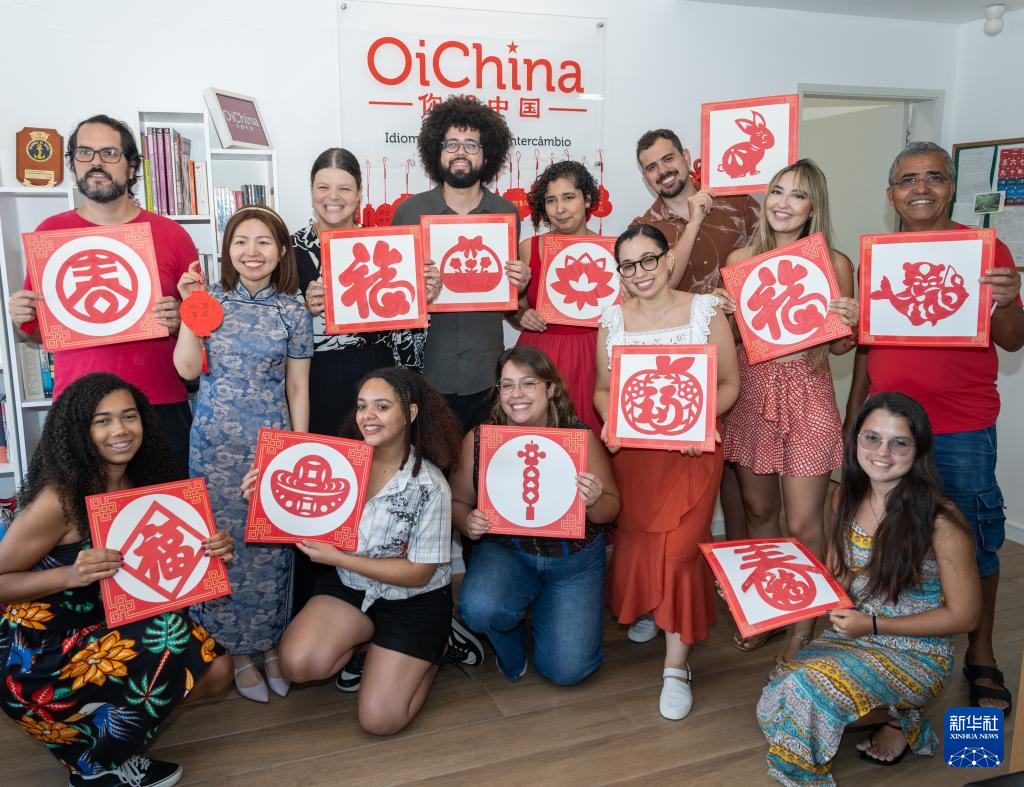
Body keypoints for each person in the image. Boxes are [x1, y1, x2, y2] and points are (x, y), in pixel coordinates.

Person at [845, 141, 1023, 712]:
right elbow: (866, 351)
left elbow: (1013, 340)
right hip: (886, 433)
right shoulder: (878, 258)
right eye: (908, 179)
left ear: (949, 186)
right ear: (891, 194)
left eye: (934, 176)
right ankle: (899, 652)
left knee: (973, 543)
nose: (921, 187)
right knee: (888, 541)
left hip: (960, 429)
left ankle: (980, 654)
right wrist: (852, 423)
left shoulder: (985, 249)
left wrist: (1009, 300)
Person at [0, 372, 234, 787]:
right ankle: (96, 763)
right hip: (39, 656)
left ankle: (101, 738)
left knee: (217, 670)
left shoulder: (144, 483)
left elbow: (160, 574)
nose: (120, 430)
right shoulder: (59, 500)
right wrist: (70, 574)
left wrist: (209, 552)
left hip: (100, 628)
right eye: (102, 420)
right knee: (171, 633)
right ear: (78, 431)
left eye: (129, 416)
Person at [758, 392, 982, 784]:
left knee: (801, 693)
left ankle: (900, 716)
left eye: (899, 443)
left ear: (919, 450)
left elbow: (966, 617)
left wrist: (874, 625)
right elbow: (836, 580)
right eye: (872, 438)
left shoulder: (941, 521)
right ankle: (898, 715)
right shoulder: (845, 495)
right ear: (856, 439)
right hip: (856, 634)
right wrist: (757, 598)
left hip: (915, 652)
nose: (882, 452)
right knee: (775, 694)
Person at [260, 368, 461, 735]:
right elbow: (300, 515)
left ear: (410, 414)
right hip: (352, 586)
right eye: (362, 406)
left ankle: (436, 651)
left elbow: (419, 574)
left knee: (380, 720)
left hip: (413, 600)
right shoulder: (340, 463)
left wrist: (339, 558)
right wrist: (263, 494)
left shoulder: (431, 485)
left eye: (382, 407)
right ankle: (369, 642)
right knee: (297, 663)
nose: (368, 416)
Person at [594, 224, 740, 720]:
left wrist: (699, 420)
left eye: (649, 259)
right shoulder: (611, 319)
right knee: (637, 540)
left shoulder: (705, 310)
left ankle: (676, 667)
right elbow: (602, 390)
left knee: (680, 552)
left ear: (668, 258)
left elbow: (729, 384)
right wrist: (611, 420)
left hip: (692, 454)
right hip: (635, 457)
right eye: (628, 265)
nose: (640, 272)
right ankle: (652, 606)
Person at [716, 160, 858, 659]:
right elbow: (734, 340)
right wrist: (723, 314)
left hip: (809, 392)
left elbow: (839, 348)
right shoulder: (741, 259)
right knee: (759, 510)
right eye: (777, 191)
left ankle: (803, 625)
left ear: (813, 206)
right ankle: (769, 611)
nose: (783, 203)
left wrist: (851, 322)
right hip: (753, 391)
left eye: (797, 195)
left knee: (802, 521)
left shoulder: (835, 263)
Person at [7, 114, 197, 478]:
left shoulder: (172, 235)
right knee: (80, 512)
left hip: (159, 405)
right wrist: (22, 316)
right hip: (80, 407)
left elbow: (201, 330)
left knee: (164, 507)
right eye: (85, 153)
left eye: (109, 153)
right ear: (73, 164)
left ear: (131, 166)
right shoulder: (51, 233)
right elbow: (37, 334)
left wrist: (181, 321)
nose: (96, 162)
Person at [174, 206, 312, 703]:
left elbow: (298, 388)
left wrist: (297, 449)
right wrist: (190, 308)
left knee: (271, 547)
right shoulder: (209, 300)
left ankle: (269, 642)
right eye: (241, 241)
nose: (252, 252)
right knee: (221, 543)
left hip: (271, 444)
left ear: (281, 252)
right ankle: (232, 651)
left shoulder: (293, 311)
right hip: (214, 444)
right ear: (227, 250)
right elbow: (187, 369)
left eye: (263, 242)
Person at [630, 128, 760, 641]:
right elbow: (660, 283)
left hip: (748, 361)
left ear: (687, 157)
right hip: (678, 381)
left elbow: (773, 264)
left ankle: (745, 591)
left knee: (746, 490)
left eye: (668, 158)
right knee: (682, 495)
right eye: (650, 166)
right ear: (644, 175)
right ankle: (672, 593)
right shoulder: (644, 228)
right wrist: (696, 219)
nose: (662, 170)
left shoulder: (742, 205)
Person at [453, 346, 620, 685]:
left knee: (568, 671)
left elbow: (612, 508)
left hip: (573, 561)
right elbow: (457, 501)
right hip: (509, 552)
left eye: (528, 383)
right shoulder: (480, 439)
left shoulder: (579, 437)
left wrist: (594, 500)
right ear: (498, 392)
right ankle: (510, 641)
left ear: (551, 388)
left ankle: (548, 606)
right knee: (480, 608)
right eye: (507, 385)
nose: (516, 394)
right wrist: (467, 523)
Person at [392, 95, 529, 434]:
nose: (461, 152)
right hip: (427, 371)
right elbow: (393, 302)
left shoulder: (506, 214)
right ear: (436, 151)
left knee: (480, 463)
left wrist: (518, 285)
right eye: (451, 143)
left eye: (471, 144)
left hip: (486, 371)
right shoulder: (409, 212)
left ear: (487, 154)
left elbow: (507, 299)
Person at [297, 148, 429, 437]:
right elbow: (274, 327)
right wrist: (303, 310)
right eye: (323, 187)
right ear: (311, 191)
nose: (333, 197)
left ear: (359, 193)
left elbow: (407, 334)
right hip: (317, 378)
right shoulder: (291, 250)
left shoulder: (384, 244)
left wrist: (422, 296)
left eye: (344, 189)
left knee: (378, 456)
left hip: (378, 374)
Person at [509, 161, 603, 433]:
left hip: (593, 357)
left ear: (587, 200)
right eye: (551, 200)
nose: (559, 209)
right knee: (538, 437)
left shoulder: (611, 250)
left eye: (568, 197)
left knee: (590, 439)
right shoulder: (529, 248)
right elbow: (513, 308)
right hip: (540, 356)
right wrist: (522, 315)